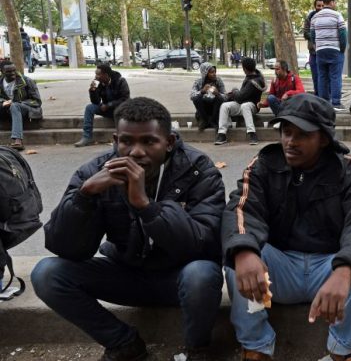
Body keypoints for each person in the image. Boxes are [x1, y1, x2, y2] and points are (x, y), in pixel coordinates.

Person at [32, 97, 226, 361]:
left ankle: (197, 349)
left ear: (168, 142)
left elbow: (201, 243)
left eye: (148, 141)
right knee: (47, 273)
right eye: (126, 141)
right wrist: (84, 196)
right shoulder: (95, 172)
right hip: (127, 273)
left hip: (181, 278)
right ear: (115, 140)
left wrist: (146, 207)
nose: (136, 152)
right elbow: (65, 248)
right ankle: (123, 343)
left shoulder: (198, 171)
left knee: (202, 272)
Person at [222, 94, 351, 361]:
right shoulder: (263, 165)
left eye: (302, 135)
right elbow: (241, 209)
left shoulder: (349, 171)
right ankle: (256, 346)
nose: (290, 142)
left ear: (323, 139)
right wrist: (245, 252)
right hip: (279, 270)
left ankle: (342, 348)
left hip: (330, 271)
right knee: (238, 253)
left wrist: (345, 270)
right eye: (286, 132)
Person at [74, 64, 131, 147]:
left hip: (120, 110)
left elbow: (125, 99)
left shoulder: (120, 81)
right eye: (95, 74)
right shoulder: (99, 84)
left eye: (98, 74)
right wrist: (92, 91)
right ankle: (86, 137)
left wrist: (109, 105)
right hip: (106, 109)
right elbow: (96, 102)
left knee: (118, 109)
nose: (96, 77)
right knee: (89, 108)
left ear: (106, 75)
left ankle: (121, 138)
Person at [215, 57, 265, 146]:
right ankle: (222, 134)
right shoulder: (251, 76)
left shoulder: (253, 81)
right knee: (225, 106)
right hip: (242, 104)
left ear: (245, 68)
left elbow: (240, 97)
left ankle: (252, 134)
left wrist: (234, 90)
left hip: (253, 106)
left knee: (245, 106)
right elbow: (242, 96)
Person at [310, 0, 348, 111]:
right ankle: (336, 103)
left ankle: (323, 103)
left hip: (320, 51)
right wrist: (342, 48)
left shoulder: (315, 17)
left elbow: (312, 34)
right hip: (334, 49)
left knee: (322, 77)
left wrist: (317, 46)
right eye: (335, 2)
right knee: (335, 76)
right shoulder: (337, 15)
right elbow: (342, 34)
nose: (335, 4)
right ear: (331, 2)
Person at [0, 60, 41, 150]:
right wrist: (3, 102)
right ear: (2, 72)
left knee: (15, 106)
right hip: (5, 109)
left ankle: (17, 141)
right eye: (9, 72)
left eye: (14, 70)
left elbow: (37, 101)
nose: (13, 73)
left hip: (25, 109)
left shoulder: (26, 81)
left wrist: (17, 103)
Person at [190, 62, 226, 131]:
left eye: (215, 71)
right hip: (203, 109)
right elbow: (192, 96)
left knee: (219, 98)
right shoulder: (198, 82)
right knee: (197, 99)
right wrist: (202, 91)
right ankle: (205, 120)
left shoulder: (218, 80)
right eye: (211, 72)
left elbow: (225, 96)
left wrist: (217, 93)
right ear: (205, 73)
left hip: (215, 108)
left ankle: (213, 120)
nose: (214, 74)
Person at [303, 0, 324, 95]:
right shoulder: (310, 17)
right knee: (315, 76)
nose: (320, 8)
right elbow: (305, 33)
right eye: (318, 6)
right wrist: (316, 35)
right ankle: (317, 95)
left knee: (324, 76)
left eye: (322, 5)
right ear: (315, 6)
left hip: (324, 51)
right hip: (313, 52)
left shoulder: (328, 17)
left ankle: (326, 97)